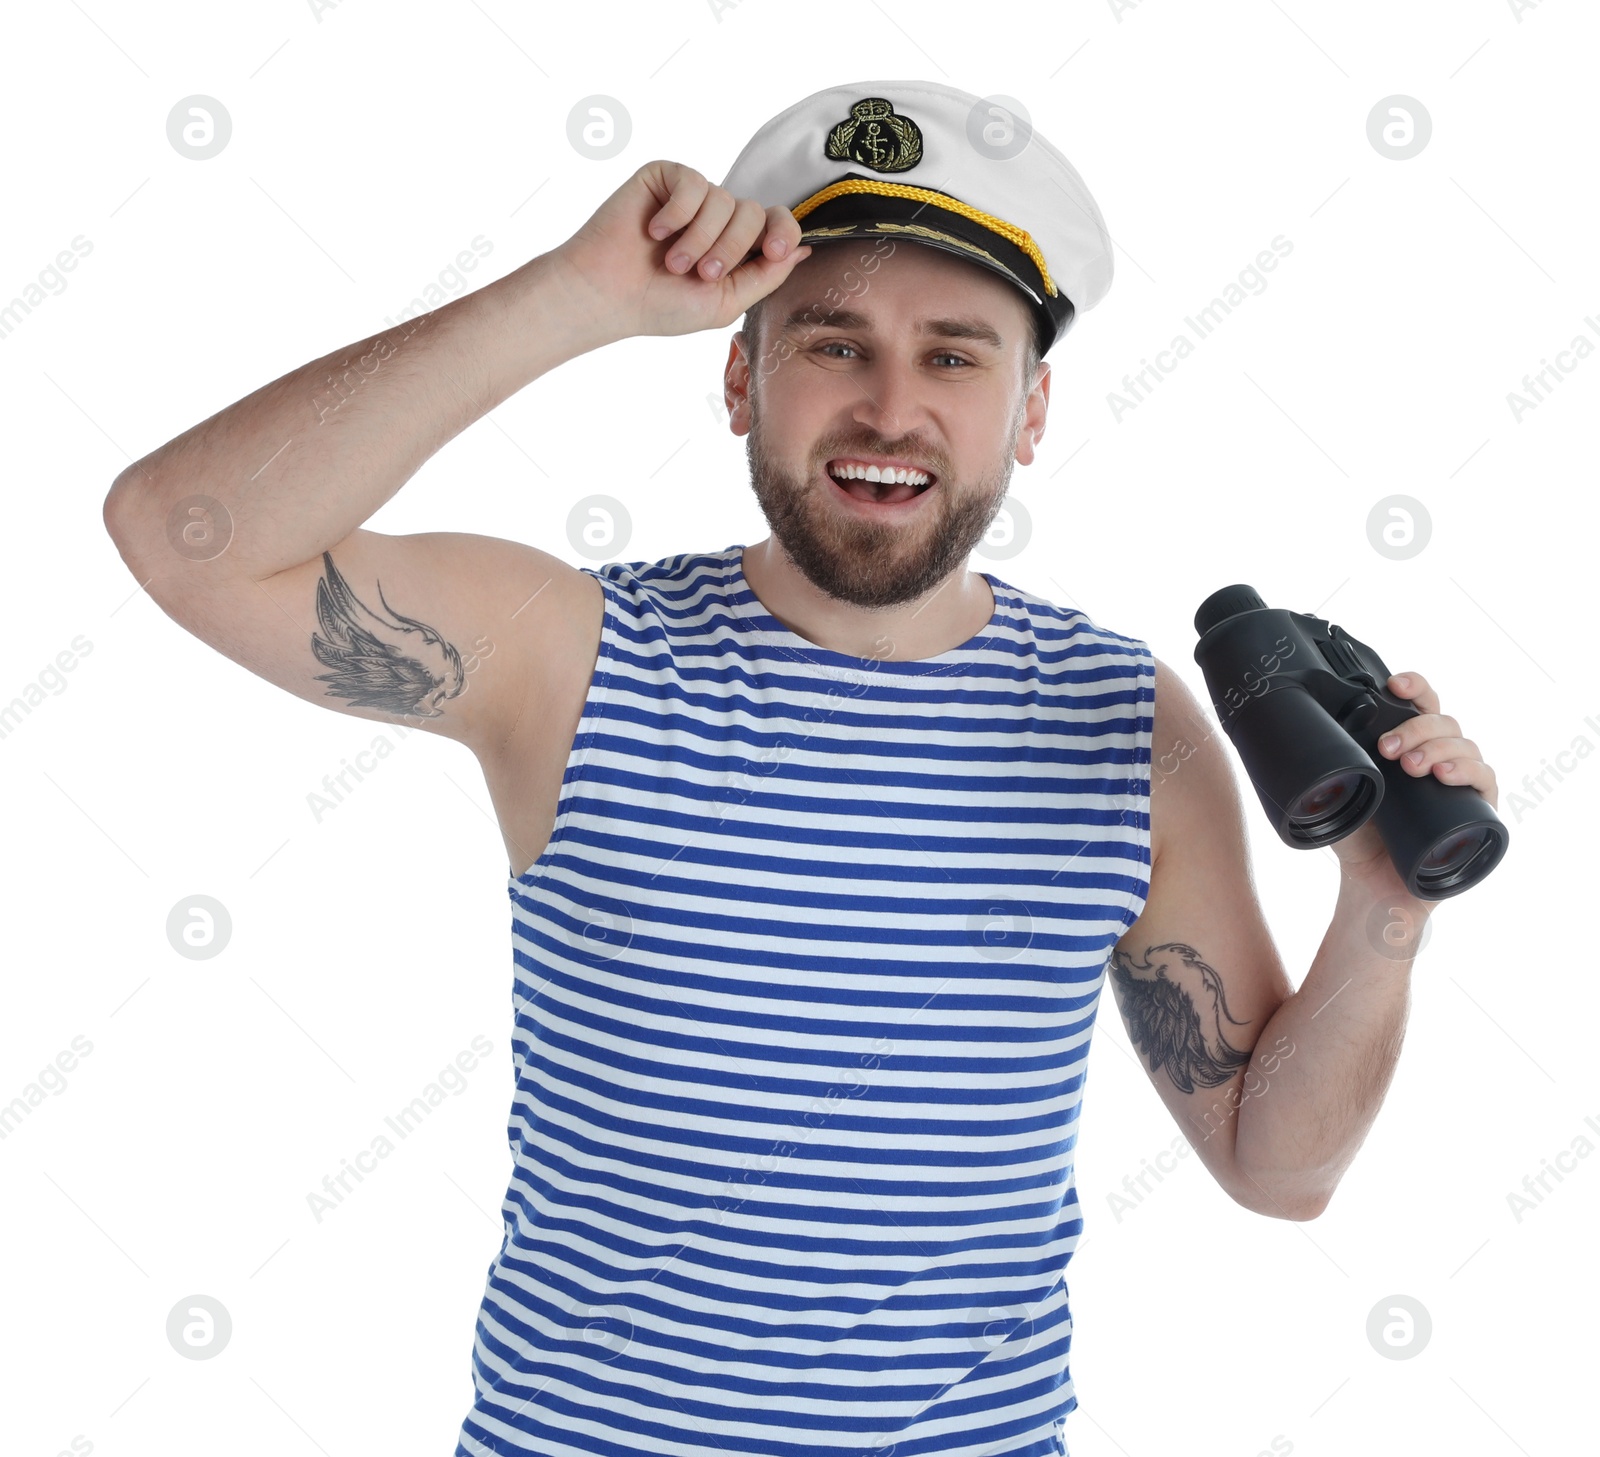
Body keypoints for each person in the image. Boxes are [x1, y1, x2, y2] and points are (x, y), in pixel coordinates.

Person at [103, 79, 1499, 1457]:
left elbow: (1279, 1171)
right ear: (737, 376)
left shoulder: (1128, 724)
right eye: (833, 345)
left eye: (955, 355)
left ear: (1030, 412)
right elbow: (184, 534)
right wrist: (571, 296)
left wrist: (1384, 910)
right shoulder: (573, 658)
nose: (891, 409)